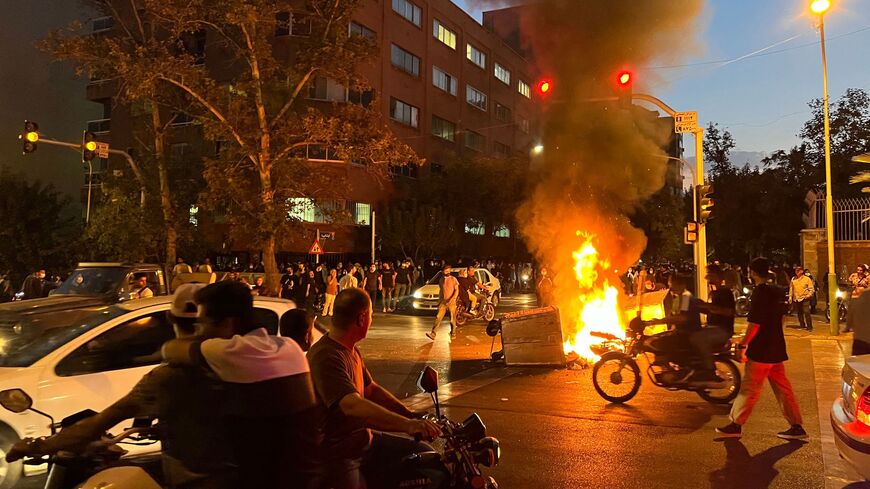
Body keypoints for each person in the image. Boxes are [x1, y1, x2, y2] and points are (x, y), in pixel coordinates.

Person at [6, 284, 236, 488]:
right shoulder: (239, 366)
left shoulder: (168, 377)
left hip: (195, 481)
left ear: (170, 318)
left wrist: (38, 446)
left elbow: (98, 424)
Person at [162, 281, 321, 488]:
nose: (199, 331)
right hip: (308, 474)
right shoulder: (290, 346)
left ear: (228, 324)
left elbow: (171, 349)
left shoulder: (228, 352)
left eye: (202, 323)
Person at [307, 288, 440, 489]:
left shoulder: (350, 349)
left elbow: (371, 390)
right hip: (340, 452)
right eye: (371, 314)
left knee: (424, 455)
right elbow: (352, 405)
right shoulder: (326, 356)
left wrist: (411, 415)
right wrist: (406, 426)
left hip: (363, 440)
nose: (371, 319)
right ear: (361, 318)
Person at [716, 257, 807, 440]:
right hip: (776, 347)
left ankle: (736, 424)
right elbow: (782, 319)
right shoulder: (777, 290)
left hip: (761, 350)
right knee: (783, 388)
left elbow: (755, 323)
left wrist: (743, 344)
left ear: (752, 272)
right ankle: (796, 426)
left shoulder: (759, 293)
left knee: (749, 388)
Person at [692, 265, 735, 383]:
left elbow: (728, 311)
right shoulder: (713, 293)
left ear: (716, 275)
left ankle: (710, 371)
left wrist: (707, 306)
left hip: (722, 331)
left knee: (698, 338)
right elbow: (710, 310)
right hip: (711, 328)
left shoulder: (725, 292)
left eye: (709, 274)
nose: (706, 277)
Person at [426, 265, 459, 340]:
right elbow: (441, 291)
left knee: (452, 318)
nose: (447, 272)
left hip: (452, 302)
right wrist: (439, 301)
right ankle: (433, 334)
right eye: (446, 270)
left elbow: (457, 290)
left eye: (449, 270)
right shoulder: (441, 280)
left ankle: (453, 333)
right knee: (438, 317)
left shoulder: (454, 279)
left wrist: (453, 299)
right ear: (443, 271)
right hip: (443, 302)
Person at [788, 266, 815, 332]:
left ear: (801, 271)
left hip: (805, 298)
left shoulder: (807, 279)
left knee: (806, 312)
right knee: (799, 312)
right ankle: (802, 325)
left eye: (798, 270)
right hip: (797, 298)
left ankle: (809, 326)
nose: (796, 272)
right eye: (796, 270)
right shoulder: (793, 279)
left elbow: (811, 289)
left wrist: (808, 295)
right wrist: (790, 297)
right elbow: (791, 288)